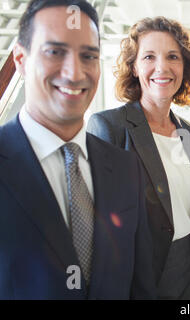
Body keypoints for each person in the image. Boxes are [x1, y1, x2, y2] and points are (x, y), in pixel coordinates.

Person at [0, 0, 156, 299]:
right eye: (55, 52)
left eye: (88, 55)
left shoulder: (125, 168)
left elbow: (141, 285)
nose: (74, 73)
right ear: (20, 58)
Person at [88, 16, 190, 299]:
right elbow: (96, 223)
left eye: (172, 57)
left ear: (185, 66)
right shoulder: (109, 127)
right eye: (149, 57)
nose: (162, 67)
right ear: (134, 67)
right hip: (142, 271)